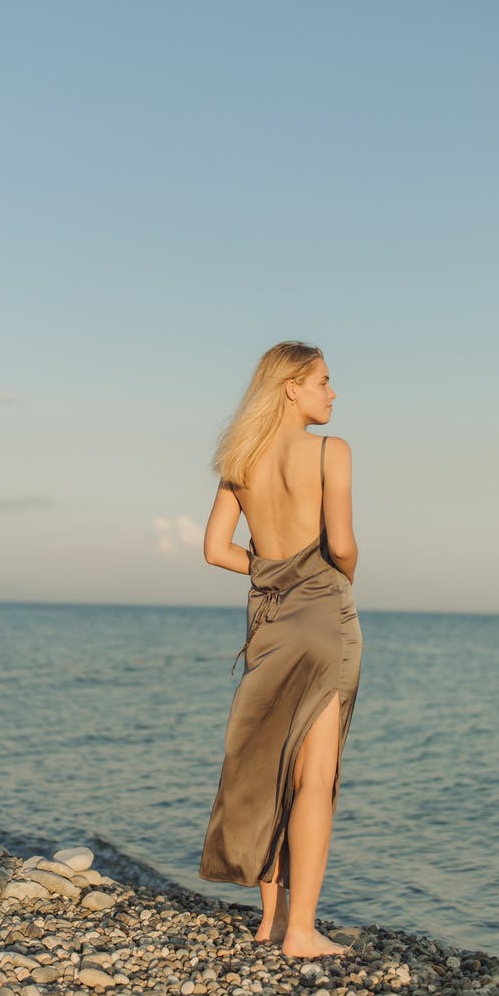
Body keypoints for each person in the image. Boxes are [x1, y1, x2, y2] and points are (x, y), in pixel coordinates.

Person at [198, 341, 362, 959]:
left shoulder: (239, 460)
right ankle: (302, 932)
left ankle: (270, 921)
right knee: (314, 775)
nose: (332, 391)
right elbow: (341, 543)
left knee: (268, 766)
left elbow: (216, 549)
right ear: (292, 386)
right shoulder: (330, 452)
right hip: (322, 616)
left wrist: (270, 571)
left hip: (267, 621)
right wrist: (340, 575)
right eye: (324, 380)